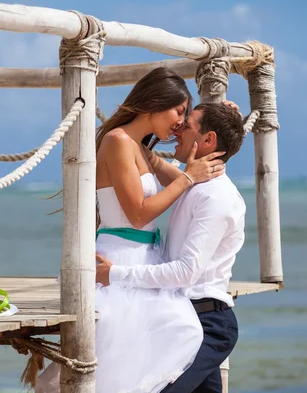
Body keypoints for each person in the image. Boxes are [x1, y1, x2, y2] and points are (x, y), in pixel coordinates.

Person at [35, 67, 226, 393]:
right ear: (155, 101)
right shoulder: (117, 141)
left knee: (163, 342)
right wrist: (188, 176)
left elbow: (188, 182)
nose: (179, 122)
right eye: (178, 111)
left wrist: (222, 124)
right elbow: (138, 214)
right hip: (120, 256)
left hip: (143, 258)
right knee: (125, 356)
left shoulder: (141, 149)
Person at [96, 100, 246, 393]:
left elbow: (186, 272)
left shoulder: (215, 197)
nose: (177, 130)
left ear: (208, 139)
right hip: (179, 316)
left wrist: (114, 274)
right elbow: (151, 164)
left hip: (206, 325)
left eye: (186, 125)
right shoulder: (193, 183)